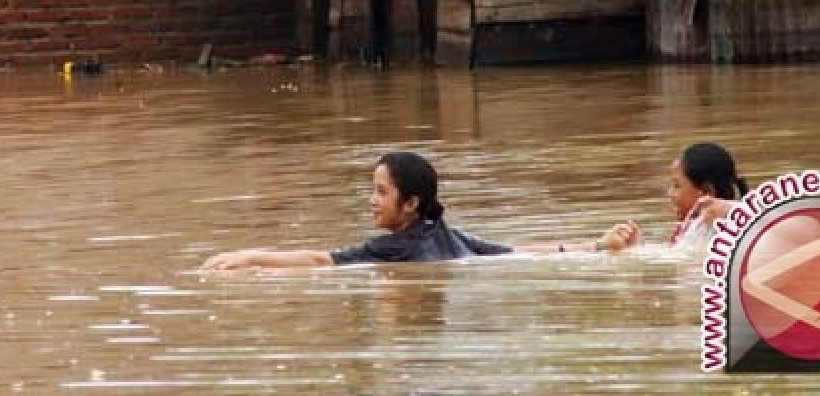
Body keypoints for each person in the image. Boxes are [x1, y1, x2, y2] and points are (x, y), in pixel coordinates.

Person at [199, 151, 636, 270]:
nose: (371, 201)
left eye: (380, 192)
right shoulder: (448, 235)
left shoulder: (394, 249)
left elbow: (321, 260)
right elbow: (518, 253)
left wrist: (251, 256)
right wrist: (594, 246)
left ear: (410, 204)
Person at [604, 141, 748, 253]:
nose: (670, 194)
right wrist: (637, 248)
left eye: (676, 185)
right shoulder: (694, 232)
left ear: (706, 192)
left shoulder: (728, 234)